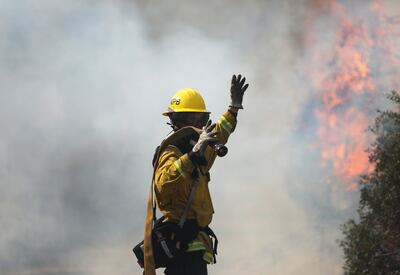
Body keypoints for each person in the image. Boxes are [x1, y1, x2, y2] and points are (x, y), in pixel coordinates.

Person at [154, 75, 248, 275]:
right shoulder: (172, 149)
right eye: (196, 119)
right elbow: (163, 185)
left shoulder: (198, 144)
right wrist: (192, 155)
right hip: (181, 246)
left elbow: (220, 132)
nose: (202, 124)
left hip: (196, 246)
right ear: (180, 120)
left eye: (203, 119)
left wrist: (234, 108)